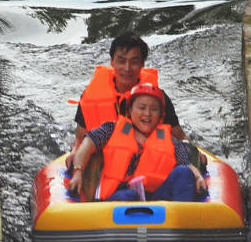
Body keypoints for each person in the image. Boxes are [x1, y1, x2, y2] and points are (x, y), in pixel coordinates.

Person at [67, 82, 205, 202]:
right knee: (130, 195)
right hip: (119, 197)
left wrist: (198, 177)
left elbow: (186, 165)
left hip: (156, 199)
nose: (147, 114)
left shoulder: (171, 141)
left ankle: (180, 224)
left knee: (183, 172)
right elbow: (87, 144)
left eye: (154, 109)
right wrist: (78, 171)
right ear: (130, 110)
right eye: (142, 107)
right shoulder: (111, 129)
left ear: (160, 115)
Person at [73, 32, 184, 147]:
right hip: (103, 158)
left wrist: (192, 153)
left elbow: (180, 137)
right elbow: (80, 140)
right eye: (121, 61)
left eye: (134, 62)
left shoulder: (157, 98)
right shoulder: (90, 96)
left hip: (145, 158)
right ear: (112, 62)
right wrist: (75, 154)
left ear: (142, 64)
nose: (127, 68)